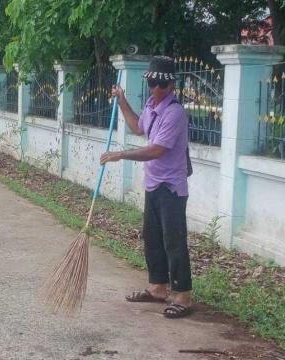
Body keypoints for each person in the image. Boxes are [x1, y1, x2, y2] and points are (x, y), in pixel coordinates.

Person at [100, 56, 192, 318]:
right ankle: (158, 288)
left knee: (174, 241)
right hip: (153, 183)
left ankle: (182, 296)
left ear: (171, 84)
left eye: (160, 85)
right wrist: (122, 101)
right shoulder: (153, 106)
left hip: (171, 187)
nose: (155, 89)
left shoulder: (175, 113)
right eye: (152, 83)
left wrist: (121, 155)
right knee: (152, 238)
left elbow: (156, 150)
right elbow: (138, 127)